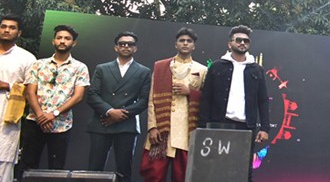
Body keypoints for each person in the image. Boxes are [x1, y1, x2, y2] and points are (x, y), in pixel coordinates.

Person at [198, 25, 270, 182]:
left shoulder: (256, 69)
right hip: (219, 124)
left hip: (246, 126)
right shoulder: (217, 66)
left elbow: (263, 101)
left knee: (243, 170)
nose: (243, 43)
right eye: (239, 40)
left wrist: (264, 128)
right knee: (215, 169)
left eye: (246, 40)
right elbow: (206, 98)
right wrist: (203, 127)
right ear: (230, 44)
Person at [20, 24, 90, 174]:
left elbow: (78, 96)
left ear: (73, 43)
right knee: (27, 165)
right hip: (34, 121)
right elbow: (30, 92)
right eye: (59, 38)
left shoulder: (80, 67)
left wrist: (53, 114)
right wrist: (41, 116)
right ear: (53, 41)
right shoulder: (38, 64)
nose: (62, 41)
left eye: (67, 38)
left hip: (61, 124)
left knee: (56, 168)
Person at [141, 28, 207, 182]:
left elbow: (207, 100)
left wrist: (190, 92)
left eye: (189, 41)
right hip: (163, 130)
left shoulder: (202, 69)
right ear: (176, 44)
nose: (185, 43)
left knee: (183, 176)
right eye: (181, 41)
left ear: (194, 46)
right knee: (154, 175)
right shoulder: (160, 66)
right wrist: (152, 127)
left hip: (186, 132)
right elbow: (152, 99)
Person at [86, 31, 152, 182]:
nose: (126, 46)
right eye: (122, 44)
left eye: (130, 44)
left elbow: (144, 100)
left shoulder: (144, 71)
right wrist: (110, 112)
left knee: (124, 170)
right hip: (101, 123)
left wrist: (120, 115)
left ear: (135, 48)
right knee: (94, 169)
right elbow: (92, 95)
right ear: (116, 47)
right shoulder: (102, 68)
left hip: (126, 125)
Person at [0, 15, 36, 182]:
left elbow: (31, 90)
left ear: (19, 32)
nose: (7, 30)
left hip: (7, 115)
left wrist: (7, 85)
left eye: (12, 27)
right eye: (3, 26)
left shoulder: (26, 58)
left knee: (4, 159)